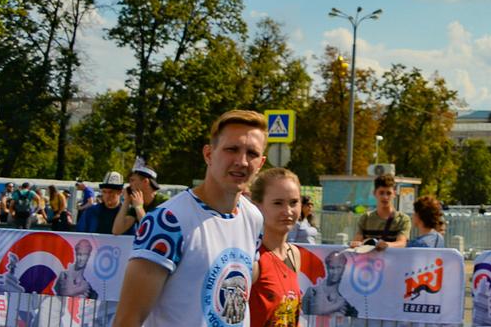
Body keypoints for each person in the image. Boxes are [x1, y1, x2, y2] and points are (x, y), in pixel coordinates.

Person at [110, 109, 267, 327]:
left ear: (261, 163)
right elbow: (127, 320)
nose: (242, 161)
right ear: (209, 154)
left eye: (252, 153)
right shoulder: (168, 221)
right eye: (232, 149)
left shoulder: (254, 218)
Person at [249, 167, 302, 327]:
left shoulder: (294, 254)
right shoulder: (253, 258)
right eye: (278, 203)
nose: (288, 211)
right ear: (257, 206)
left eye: (294, 202)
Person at [351, 173, 411, 249]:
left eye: (388, 193)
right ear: (374, 193)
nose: (385, 197)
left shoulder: (403, 219)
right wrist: (355, 244)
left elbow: (402, 243)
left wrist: (386, 245)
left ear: (394, 194)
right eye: (381, 193)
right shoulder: (365, 218)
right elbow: (357, 242)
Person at [113, 159, 166, 236]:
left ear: (145, 182)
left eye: (132, 180)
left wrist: (139, 208)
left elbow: (151, 231)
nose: (129, 185)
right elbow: (116, 231)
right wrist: (126, 201)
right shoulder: (137, 204)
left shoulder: (164, 202)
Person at [300, 250, 358, 317]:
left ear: (344, 268)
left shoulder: (346, 300)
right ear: (327, 267)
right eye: (332, 268)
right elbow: (307, 314)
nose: (335, 272)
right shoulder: (313, 291)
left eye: (339, 267)